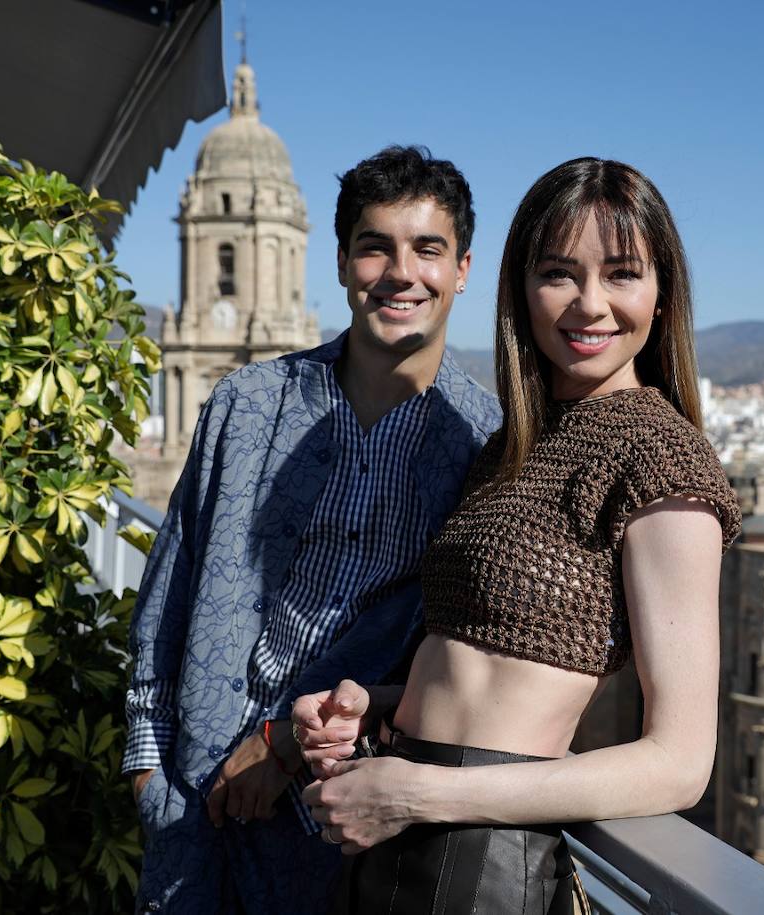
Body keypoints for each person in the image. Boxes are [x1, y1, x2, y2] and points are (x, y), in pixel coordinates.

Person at [293, 158, 741, 914]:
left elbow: (679, 764)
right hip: (401, 819)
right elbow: (494, 672)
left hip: (476, 854)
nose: (590, 304)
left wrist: (424, 792)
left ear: (662, 295)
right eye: (560, 274)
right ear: (521, 290)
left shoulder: (662, 458)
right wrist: (377, 705)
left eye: (622, 274)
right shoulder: (512, 445)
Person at [123, 145, 501, 913]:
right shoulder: (247, 403)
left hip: (340, 837)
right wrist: (149, 773)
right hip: (194, 811)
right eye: (375, 246)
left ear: (462, 269)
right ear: (339, 262)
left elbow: (466, 659)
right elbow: (172, 583)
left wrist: (286, 744)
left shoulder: (485, 448)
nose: (401, 272)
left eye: (428, 249)